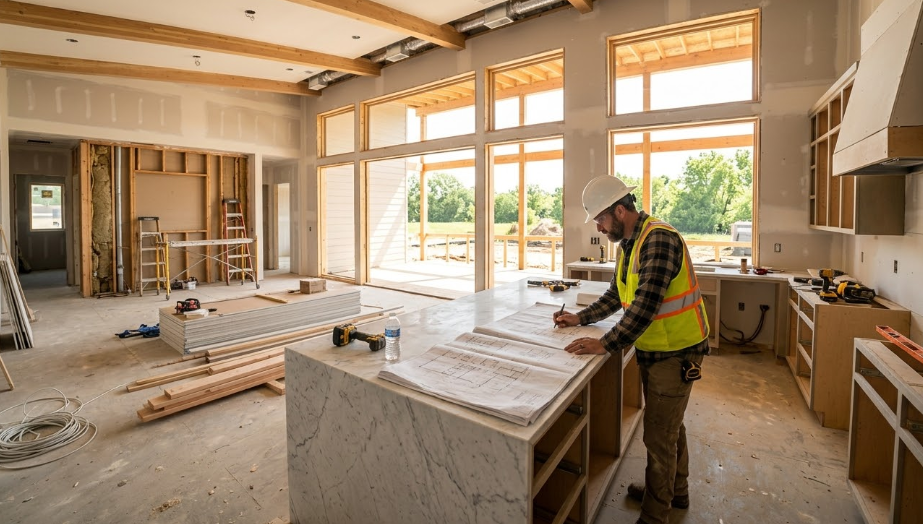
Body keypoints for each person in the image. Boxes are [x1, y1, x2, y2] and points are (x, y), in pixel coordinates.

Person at [553, 175, 709, 524]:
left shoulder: (658, 240)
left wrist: (604, 344)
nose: (598, 225)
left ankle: (656, 514)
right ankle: (675, 492)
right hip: (657, 348)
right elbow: (616, 296)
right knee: (669, 427)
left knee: (659, 435)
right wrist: (579, 318)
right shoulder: (629, 244)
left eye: (601, 218)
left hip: (678, 351)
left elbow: (645, 306)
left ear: (620, 210)